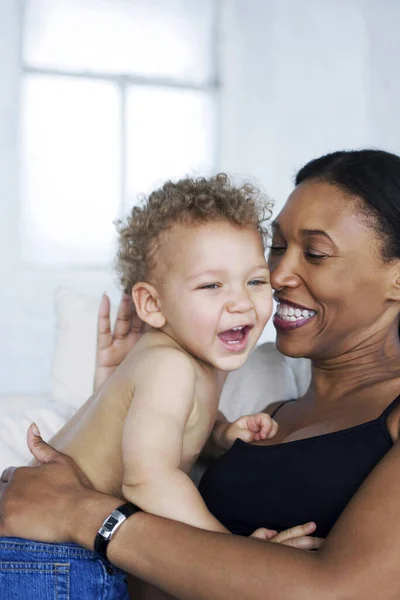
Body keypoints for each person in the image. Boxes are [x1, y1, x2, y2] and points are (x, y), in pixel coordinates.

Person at [2, 148, 400, 600]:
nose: (279, 274)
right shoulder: (268, 413)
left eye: (315, 252)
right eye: (277, 247)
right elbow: (152, 532)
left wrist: (79, 512)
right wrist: (124, 398)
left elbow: (345, 590)